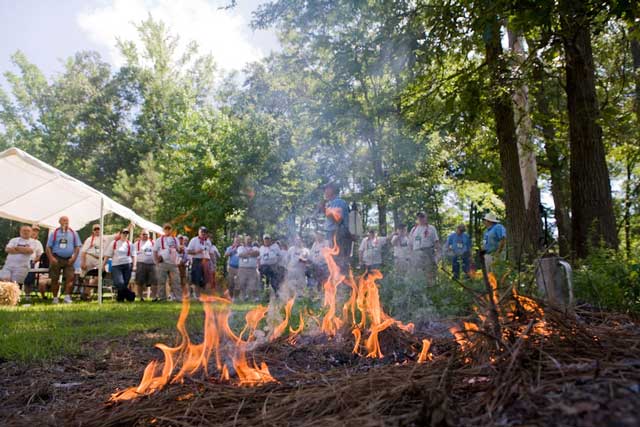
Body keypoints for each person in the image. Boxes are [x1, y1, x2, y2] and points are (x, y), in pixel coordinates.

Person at [46, 216, 81, 304]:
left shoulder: (74, 233)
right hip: (56, 258)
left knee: (70, 278)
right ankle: (55, 298)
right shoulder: (54, 233)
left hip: (69, 259)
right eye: (64, 220)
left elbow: (77, 247)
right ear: (59, 222)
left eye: (67, 220)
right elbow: (48, 247)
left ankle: (67, 297)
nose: (66, 222)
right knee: (54, 279)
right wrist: (51, 258)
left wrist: (74, 258)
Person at [321, 182, 350, 274]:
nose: (324, 191)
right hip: (333, 235)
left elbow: (338, 220)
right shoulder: (331, 203)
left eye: (326, 189)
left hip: (338, 234)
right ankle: (336, 285)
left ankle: (343, 286)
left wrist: (324, 210)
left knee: (339, 262)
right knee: (333, 262)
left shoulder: (338, 202)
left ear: (332, 190)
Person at [79, 224, 114, 300]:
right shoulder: (89, 239)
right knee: (84, 275)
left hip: (99, 259)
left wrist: (129, 227)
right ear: (93, 231)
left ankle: (87, 292)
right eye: (95, 229)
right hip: (89, 257)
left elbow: (117, 235)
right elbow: (83, 252)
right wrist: (83, 262)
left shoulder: (106, 238)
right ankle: (85, 294)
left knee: (102, 273)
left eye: (98, 229)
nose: (97, 230)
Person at [409, 212, 441, 285]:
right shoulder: (414, 229)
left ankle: (431, 286)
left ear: (426, 218)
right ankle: (420, 287)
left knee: (430, 270)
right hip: (416, 252)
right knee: (418, 271)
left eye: (422, 217)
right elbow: (410, 244)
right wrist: (411, 255)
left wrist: (438, 253)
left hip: (428, 251)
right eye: (419, 217)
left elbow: (436, 241)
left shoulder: (431, 228)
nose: (421, 218)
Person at [104, 227, 135, 302]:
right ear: (120, 234)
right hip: (116, 265)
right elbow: (108, 255)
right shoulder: (114, 243)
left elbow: (134, 255)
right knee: (119, 282)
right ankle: (131, 295)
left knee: (125, 283)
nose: (125, 234)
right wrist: (103, 264)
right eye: (124, 233)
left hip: (127, 264)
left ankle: (120, 299)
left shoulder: (130, 244)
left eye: (127, 233)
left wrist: (134, 265)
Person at [153, 223, 182, 301]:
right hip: (163, 262)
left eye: (169, 229)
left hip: (173, 263)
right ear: (163, 230)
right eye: (166, 229)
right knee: (161, 281)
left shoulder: (175, 239)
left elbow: (179, 250)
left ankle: (178, 297)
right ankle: (162, 298)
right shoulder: (159, 240)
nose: (167, 230)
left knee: (176, 281)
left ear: (171, 230)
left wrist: (178, 248)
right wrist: (156, 262)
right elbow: (155, 251)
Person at [0, 225, 34, 291]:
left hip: (22, 267)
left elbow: (30, 251)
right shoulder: (14, 240)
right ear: (20, 231)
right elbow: (7, 249)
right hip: (8, 265)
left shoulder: (33, 242)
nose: (26, 232)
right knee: (3, 280)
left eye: (28, 231)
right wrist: (24, 250)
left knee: (15, 284)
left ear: (31, 232)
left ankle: (13, 299)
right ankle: (4, 298)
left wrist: (16, 248)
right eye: (24, 230)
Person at [187, 227, 213, 296]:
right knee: (196, 278)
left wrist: (211, 262)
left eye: (205, 232)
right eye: (202, 232)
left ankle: (204, 296)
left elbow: (210, 252)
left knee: (206, 279)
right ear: (199, 232)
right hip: (197, 260)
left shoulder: (208, 241)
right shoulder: (194, 240)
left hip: (206, 261)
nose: (203, 233)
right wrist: (196, 251)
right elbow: (188, 251)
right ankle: (197, 295)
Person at [133, 230, 157, 301]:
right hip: (140, 264)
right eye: (143, 234)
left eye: (146, 234)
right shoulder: (136, 244)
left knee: (154, 281)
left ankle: (154, 297)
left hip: (152, 264)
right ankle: (140, 297)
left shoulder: (153, 243)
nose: (145, 236)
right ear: (140, 235)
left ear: (149, 235)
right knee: (140, 282)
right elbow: (133, 254)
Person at [22, 224, 44, 300]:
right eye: (33, 230)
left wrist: (34, 261)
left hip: (31, 262)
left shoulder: (38, 243)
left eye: (36, 231)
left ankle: (27, 296)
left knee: (29, 279)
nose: (35, 232)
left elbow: (40, 255)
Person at [237, 236, 260, 301]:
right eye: (247, 239)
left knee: (253, 283)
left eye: (249, 239)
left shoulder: (255, 247)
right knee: (242, 283)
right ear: (244, 240)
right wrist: (251, 253)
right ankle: (244, 296)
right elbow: (240, 255)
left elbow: (257, 253)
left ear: (251, 240)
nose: (248, 241)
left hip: (252, 269)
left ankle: (255, 297)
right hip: (242, 268)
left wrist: (246, 253)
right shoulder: (240, 247)